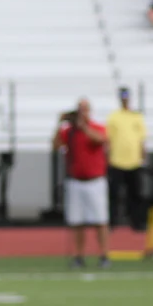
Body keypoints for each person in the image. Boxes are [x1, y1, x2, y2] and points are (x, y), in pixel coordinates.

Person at [54, 98, 110, 268]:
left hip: (95, 180)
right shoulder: (69, 132)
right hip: (75, 180)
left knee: (100, 220)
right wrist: (59, 124)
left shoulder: (95, 127)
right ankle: (78, 255)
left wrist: (84, 127)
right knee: (77, 221)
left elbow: (100, 140)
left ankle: (104, 255)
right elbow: (55, 146)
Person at [106, 87, 148, 232]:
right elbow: (108, 139)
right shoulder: (114, 116)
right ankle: (112, 222)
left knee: (135, 195)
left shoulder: (136, 116)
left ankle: (136, 222)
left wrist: (143, 156)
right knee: (114, 195)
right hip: (116, 161)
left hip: (133, 161)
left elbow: (142, 139)